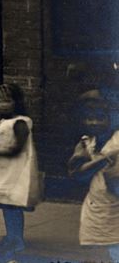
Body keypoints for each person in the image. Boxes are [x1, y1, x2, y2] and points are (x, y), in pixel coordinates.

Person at [0, 83, 42, 256]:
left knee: (13, 205)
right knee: (5, 203)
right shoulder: (0, 120)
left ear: (16, 102)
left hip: (15, 168)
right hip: (1, 167)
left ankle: (17, 240)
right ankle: (10, 236)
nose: (1, 105)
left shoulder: (20, 123)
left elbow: (17, 148)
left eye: (7, 101)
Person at [67, 89, 119, 263]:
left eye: (100, 118)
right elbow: (75, 173)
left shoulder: (117, 140)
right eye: (90, 118)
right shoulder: (87, 142)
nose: (95, 122)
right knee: (94, 250)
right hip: (97, 204)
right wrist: (100, 161)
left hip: (116, 203)